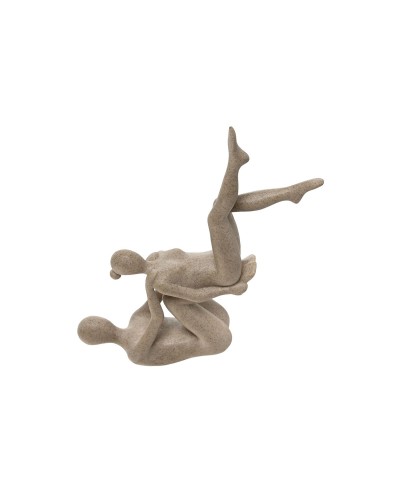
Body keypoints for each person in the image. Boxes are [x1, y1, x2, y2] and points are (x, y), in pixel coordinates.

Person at [78, 127, 323, 365]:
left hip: (217, 303)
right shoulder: (135, 350)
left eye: (126, 257)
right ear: (97, 339)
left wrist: (152, 291)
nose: (102, 325)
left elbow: (164, 299)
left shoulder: (150, 275)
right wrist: (230, 289)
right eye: (96, 329)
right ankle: (237, 164)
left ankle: (288, 193)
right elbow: (166, 311)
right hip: (218, 321)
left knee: (222, 206)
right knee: (216, 218)